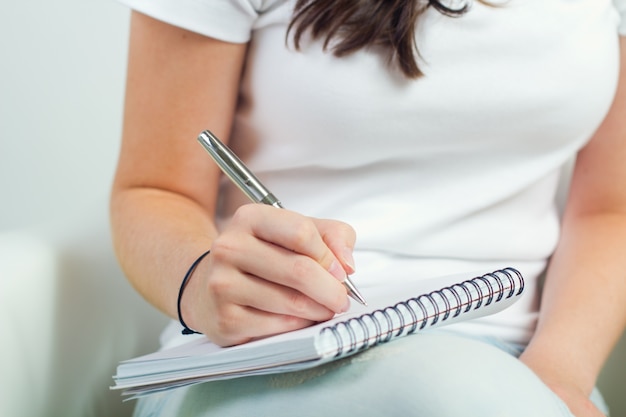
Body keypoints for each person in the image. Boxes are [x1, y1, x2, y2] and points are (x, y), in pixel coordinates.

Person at [110, 0, 626, 416]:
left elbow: (609, 209)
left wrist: (557, 374)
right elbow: (155, 188)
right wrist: (202, 286)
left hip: (525, 362)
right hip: (269, 357)